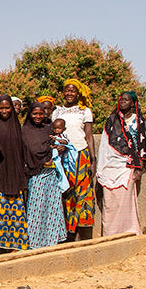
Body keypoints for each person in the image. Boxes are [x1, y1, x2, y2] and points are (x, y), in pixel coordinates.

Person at [97, 91, 146, 236]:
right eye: (121, 99)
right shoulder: (111, 120)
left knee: (126, 202)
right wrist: (101, 167)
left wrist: (140, 168)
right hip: (111, 165)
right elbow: (104, 144)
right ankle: (110, 233)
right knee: (110, 203)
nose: (123, 102)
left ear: (132, 103)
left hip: (128, 166)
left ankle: (127, 231)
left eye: (126, 100)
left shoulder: (138, 121)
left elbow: (142, 144)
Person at [51, 78, 96, 240]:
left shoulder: (85, 111)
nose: (69, 93)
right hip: (62, 157)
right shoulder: (57, 112)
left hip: (81, 154)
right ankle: (68, 232)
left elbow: (89, 137)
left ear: (78, 93)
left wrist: (93, 160)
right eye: (67, 90)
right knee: (66, 192)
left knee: (82, 193)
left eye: (73, 91)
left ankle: (80, 231)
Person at [0, 95, 29, 251]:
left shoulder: (16, 126)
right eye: (1, 108)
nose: (4, 111)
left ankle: (14, 243)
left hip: (14, 174)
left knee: (15, 208)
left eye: (7, 107)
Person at [22, 102, 68, 248]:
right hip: (35, 174)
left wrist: (60, 148)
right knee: (36, 208)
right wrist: (41, 162)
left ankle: (51, 240)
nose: (38, 116)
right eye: (35, 113)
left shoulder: (49, 129)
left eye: (41, 113)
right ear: (30, 114)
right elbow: (26, 152)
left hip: (51, 175)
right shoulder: (24, 131)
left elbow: (56, 144)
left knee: (51, 208)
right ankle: (35, 242)